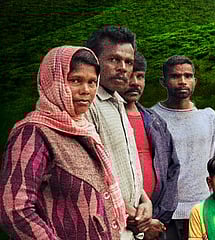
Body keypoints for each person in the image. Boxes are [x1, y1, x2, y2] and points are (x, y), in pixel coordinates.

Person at [0, 46, 126, 239]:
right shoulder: (33, 133)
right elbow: (15, 209)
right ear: (53, 81)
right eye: (75, 80)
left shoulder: (84, 129)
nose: (86, 90)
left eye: (92, 82)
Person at [85, 26, 152, 239]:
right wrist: (127, 211)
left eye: (128, 62)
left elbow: (128, 164)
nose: (123, 68)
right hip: (104, 226)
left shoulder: (118, 102)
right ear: (94, 61)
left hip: (129, 227)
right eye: (114, 60)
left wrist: (145, 202)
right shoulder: (87, 104)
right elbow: (88, 173)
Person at [150, 55, 215, 240]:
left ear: (195, 80)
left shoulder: (208, 117)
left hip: (201, 207)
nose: (182, 81)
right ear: (163, 81)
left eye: (188, 76)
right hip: (164, 211)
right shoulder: (152, 117)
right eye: (175, 76)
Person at [120, 52, 181, 240]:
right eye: (130, 76)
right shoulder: (108, 121)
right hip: (122, 221)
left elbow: (172, 169)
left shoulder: (155, 121)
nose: (135, 83)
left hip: (156, 224)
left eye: (140, 76)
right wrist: (138, 221)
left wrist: (157, 219)